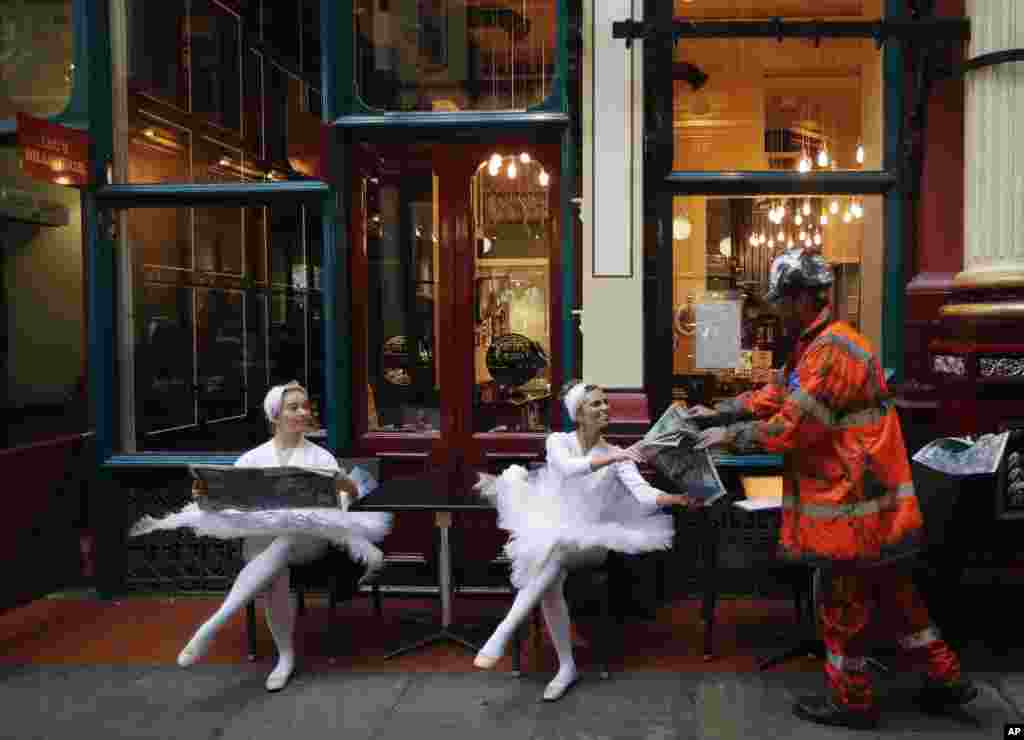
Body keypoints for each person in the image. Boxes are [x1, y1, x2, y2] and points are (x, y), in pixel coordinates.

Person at [691, 248, 976, 730]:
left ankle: (853, 701)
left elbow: (794, 427)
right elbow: (778, 394)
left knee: (840, 602)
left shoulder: (831, 350)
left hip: (851, 503)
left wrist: (729, 436)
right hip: (870, 500)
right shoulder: (816, 344)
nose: (776, 309)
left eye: (781, 299)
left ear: (802, 298)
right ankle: (946, 678)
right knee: (897, 593)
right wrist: (723, 410)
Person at [130, 381, 391, 692]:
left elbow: (340, 510)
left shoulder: (321, 458)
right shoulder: (252, 459)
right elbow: (225, 506)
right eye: (294, 407)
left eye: (305, 407)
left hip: (310, 543)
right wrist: (203, 493)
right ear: (275, 415)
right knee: (276, 563)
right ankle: (285, 657)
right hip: (264, 545)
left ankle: (213, 624)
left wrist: (344, 485)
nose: (303, 412)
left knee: (288, 540)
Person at [473, 380, 697, 701]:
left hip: (595, 536)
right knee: (552, 573)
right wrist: (615, 457)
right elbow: (568, 469)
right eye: (596, 404)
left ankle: (505, 629)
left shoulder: (618, 454)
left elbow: (645, 497)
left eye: (605, 402)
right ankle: (566, 667)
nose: (605, 408)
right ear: (578, 414)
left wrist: (677, 499)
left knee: (557, 554)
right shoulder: (558, 442)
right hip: (553, 525)